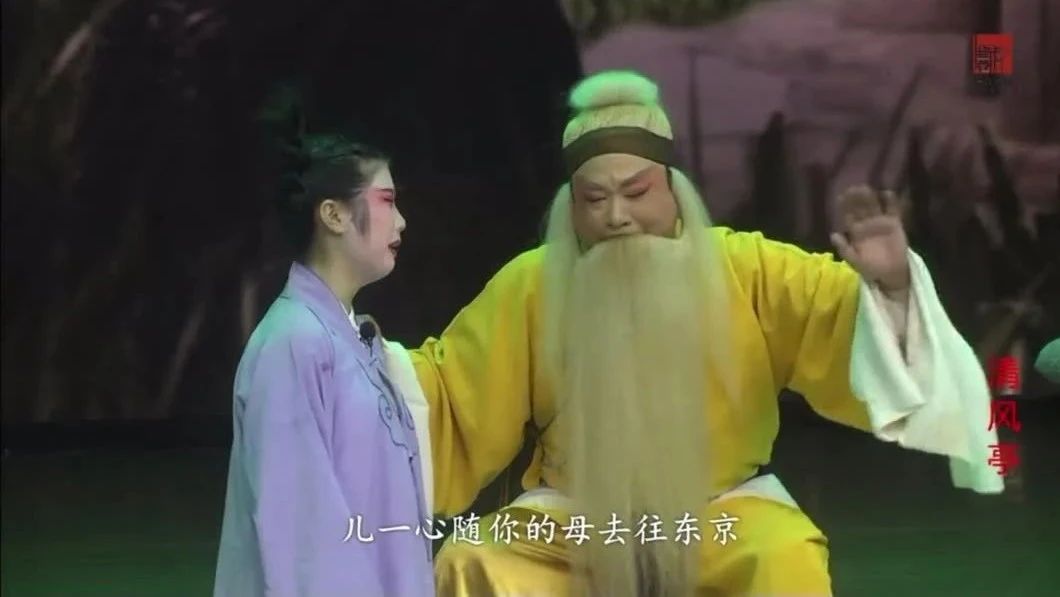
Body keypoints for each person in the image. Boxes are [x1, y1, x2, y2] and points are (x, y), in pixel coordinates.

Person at [383, 70, 1003, 596]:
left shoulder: (749, 269)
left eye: (635, 192)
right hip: (574, 522)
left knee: (782, 558)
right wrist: (361, 366)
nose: (616, 216)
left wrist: (891, 288)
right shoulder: (533, 284)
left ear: (674, 191)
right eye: (593, 199)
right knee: (474, 564)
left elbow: (843, 324)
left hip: (720, 513)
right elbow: (454, 389)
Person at [213, 131, 434, 596]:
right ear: (333, 215)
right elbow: (302, 533)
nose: (401, 221)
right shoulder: (292, 343)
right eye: (387, 201)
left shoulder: (347, 336)